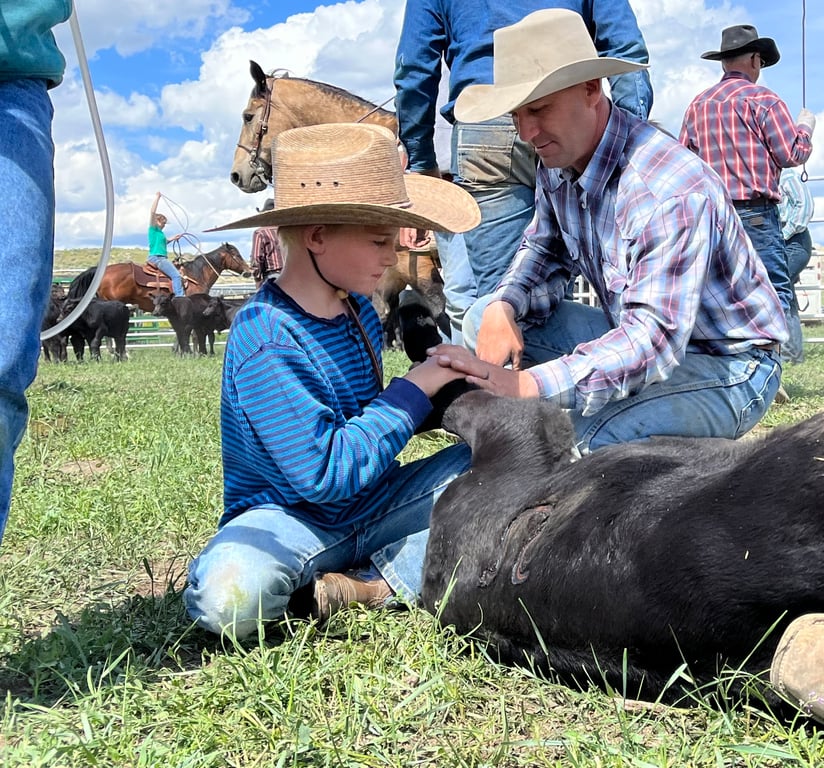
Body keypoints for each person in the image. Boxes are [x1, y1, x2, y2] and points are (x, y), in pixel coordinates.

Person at [428, 8, 787, 455]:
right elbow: (542, 248)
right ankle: (525, 429)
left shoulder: (667, 190)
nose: (526, 132)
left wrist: (525, 384)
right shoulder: (558, 161)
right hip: (645, 334)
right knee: (486, 315)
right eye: (517, 114)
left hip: (729, 366)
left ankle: (538, 446)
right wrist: (506, 304)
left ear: (591, 89)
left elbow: (651, 340)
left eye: (538, 109)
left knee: (586, 442)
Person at [183, 122, 480, 640]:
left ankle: (370, 585)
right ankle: (397, 571)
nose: (392, 257)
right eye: (378, 240)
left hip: (377, 496)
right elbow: (324, 474)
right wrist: (416, 388)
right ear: (317, 236)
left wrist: (453, 394)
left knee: (516, 466)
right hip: (288, 516)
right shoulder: (266, 337)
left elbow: (368, 421)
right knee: (229, 596)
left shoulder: (359, 312)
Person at [393, 0, 653, 341]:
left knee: (503, 301)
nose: (529, 130)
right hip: (570, 105)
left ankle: (503, 384)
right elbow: (624, 44)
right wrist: (622, 138)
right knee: (531, 299)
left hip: (488, 121)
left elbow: (414, 67)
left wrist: (421, 160)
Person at [679, 24, 815, 330]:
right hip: (756, 215)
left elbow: (683, 166)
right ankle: (768, 369)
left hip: (712, 215)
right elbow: (792, 154)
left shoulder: (697, 105)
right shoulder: (765, 100)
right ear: (755, 60)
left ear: (725, 62)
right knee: (771, 291)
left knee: (720, 295)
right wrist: (805, 127)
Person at [0, 1, 72, 546]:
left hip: (13, 78)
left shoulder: (166, 232)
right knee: (160, 267)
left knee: (3, 356)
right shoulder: (155, 233)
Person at [778, 167, 815, 364]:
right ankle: (792, 354)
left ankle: (783, 353)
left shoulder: (788, 175)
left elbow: (805, 206)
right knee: (786, 296)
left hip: (793, 241)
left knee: (776, 292)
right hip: (786, 241)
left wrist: (783, 235)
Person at [147, 192, 184, 297]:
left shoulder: (159, 233)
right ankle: (180, 298)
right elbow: (152, 212)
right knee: (176, 276)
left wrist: (173, 238)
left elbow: (164, 242)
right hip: (158, 258)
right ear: (157, 221)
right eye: (163, 223)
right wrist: (157, 198)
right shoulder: (153, 229)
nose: (164, 225)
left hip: (159, 257)